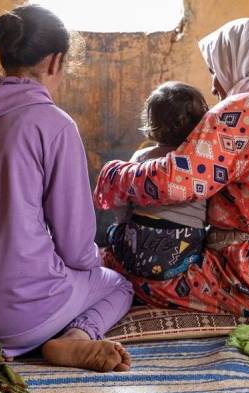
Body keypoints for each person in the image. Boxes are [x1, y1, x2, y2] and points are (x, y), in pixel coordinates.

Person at [0, 5, 133, 372]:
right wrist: (94, 261)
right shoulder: (54, 124)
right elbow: (76, 250)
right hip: (15, 315)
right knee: (117, 284)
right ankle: (76, 337)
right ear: (55, 61)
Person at [94, 18, 249, 317]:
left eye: (215, 71)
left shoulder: (240, 110)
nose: (214, 86)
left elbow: (175, 181)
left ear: (238, 62)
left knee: (129, 270)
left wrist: (114, 175)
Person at [107, 81, 209, 281]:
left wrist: (123, 225)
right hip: (183, 254)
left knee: (114, 231)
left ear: (151, 121)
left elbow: (122, 202)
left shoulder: (142, 157)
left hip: (136, 252)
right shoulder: (201, 161)